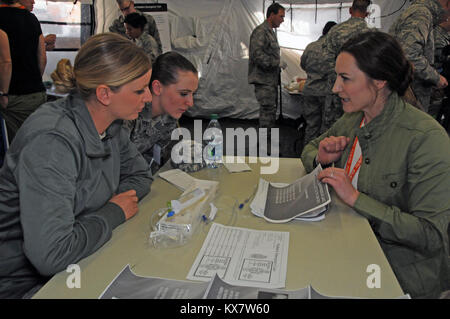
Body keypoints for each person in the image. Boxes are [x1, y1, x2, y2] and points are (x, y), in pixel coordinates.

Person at [0, 32, 153, 299]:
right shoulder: (51, 142)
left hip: (78, 257)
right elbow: (51, 254)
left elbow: (140, 176)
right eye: (140, 90)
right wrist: (112, 211)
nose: (149, 97)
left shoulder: (110, 124)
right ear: (105, 94)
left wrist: (87, 223)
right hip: (24, 283)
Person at [301, 31, 450, 299]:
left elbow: (431, 235)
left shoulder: (425, 138)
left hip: (397, 271)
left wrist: (356, 198)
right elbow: (310, 149)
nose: (336, 88)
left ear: (380, 80)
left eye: (345, 78)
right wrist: (320, 159)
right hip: (350, 243)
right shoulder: (353, 119)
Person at [124, 51, 201, 175]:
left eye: (193, 94)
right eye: (183, 94)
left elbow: (162, 158)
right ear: (157, 88)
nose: (190, 103)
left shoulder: (169, 117)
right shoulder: (128, 114)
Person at [390, 0, 450, 113]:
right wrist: (436, 78)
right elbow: (408, 54)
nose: (447, 18)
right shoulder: (421, 14)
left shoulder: (421, 12)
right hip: (407, 98)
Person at [320, 0, 371, 133]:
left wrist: (339, 79)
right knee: (356, 128)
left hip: (336, 90)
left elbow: (325, 59)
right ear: (367, 13)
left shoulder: (336, 31)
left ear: (350, 10)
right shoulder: (372, 35)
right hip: (360, 93)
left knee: (332, 130)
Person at [0, 0, 46, 144]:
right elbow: (42, 58)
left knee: (13, 148)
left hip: (12, 97)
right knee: (35, 144)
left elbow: (5, 62)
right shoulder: (32, 19)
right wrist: (34, 80)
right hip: (35, 93)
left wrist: (3, 93)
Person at [248, 2, 285, 138]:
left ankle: (268, 142)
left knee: (270, 112)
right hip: (263, 80)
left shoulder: (269, 31)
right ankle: (264, 145)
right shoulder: (261, 32)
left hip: (269, 80)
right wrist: (277, 63)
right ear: (271, 15)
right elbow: (257, 55)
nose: (282, 20)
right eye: (281, 16)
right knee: (267, 112)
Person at [300, 21, 336, 145]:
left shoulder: (310, 46)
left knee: (311, 125)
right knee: (327, 127)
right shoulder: (333, 49)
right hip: (326, 92)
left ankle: (307, 154)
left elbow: (303, 65)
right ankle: (321, 158)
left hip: (309, 90)